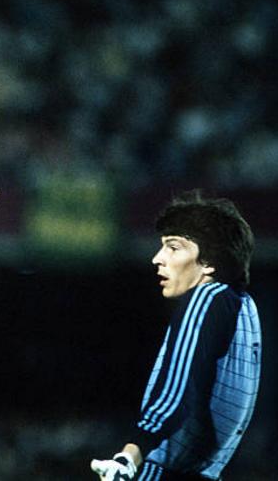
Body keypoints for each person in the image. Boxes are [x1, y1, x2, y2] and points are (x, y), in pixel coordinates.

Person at [90, 191, 261, 481]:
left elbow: (177, 388)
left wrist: (129, 456)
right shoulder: (247, 308)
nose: (157, 259)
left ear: (208, 262)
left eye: (173, 247)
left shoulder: (206, 297)